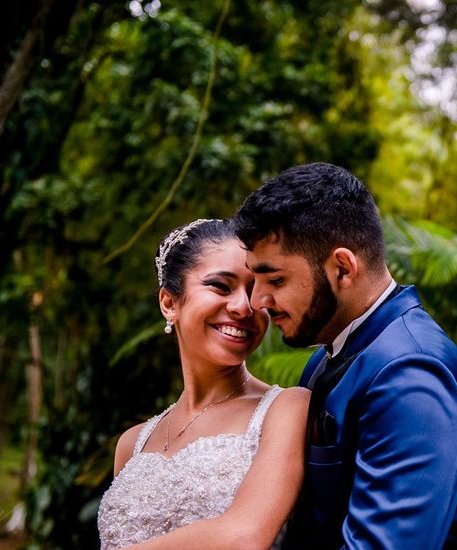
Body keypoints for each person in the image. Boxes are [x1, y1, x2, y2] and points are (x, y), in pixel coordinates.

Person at [233, 162, 457, 548]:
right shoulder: (327, 357)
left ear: (343, 268)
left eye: (275, 279)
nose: (258, 301)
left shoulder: (412, 375)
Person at [97, 219, 310, 549]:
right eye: (221, 287)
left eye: (255, 291)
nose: (243, 307)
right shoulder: (132, 444)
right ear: (169, 303)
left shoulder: (286, 409)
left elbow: (245, 536)